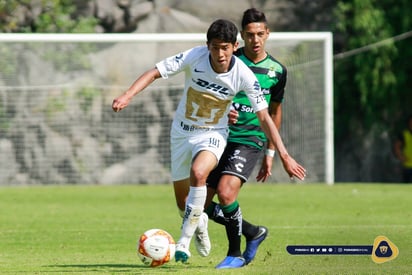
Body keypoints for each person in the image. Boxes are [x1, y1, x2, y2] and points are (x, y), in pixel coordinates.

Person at [112, 18, 306, 264]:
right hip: (182, 133)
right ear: (208, 46)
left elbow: (266, 117)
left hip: (213, 134)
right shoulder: (195, 56)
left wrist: (283, 155)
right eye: (215, 47)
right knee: (184, 205)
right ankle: (200, 223)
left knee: (199, 173)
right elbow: (154, 72)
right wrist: (127, 95)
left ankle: (184, 242)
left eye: (225, 47)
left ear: (234, 46)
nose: (220, 53)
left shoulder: (244, 75)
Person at [204, 8, 289, 269]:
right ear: (242, 36)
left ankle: (235, 253)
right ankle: (253, 232)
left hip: (249, 139)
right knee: (197, 204)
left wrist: (271, 153)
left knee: (226, 193)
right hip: (218, 136)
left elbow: (274, 112)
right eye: (250, 34)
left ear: (267, 34)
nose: (256, 40)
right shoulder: (229, 59)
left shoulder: (277, 70)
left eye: (260, 34)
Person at [394, 114, 412, 183]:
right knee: (406, 185)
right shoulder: (404, 134)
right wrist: (401, 157)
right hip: (408, 165)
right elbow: (396, 147)